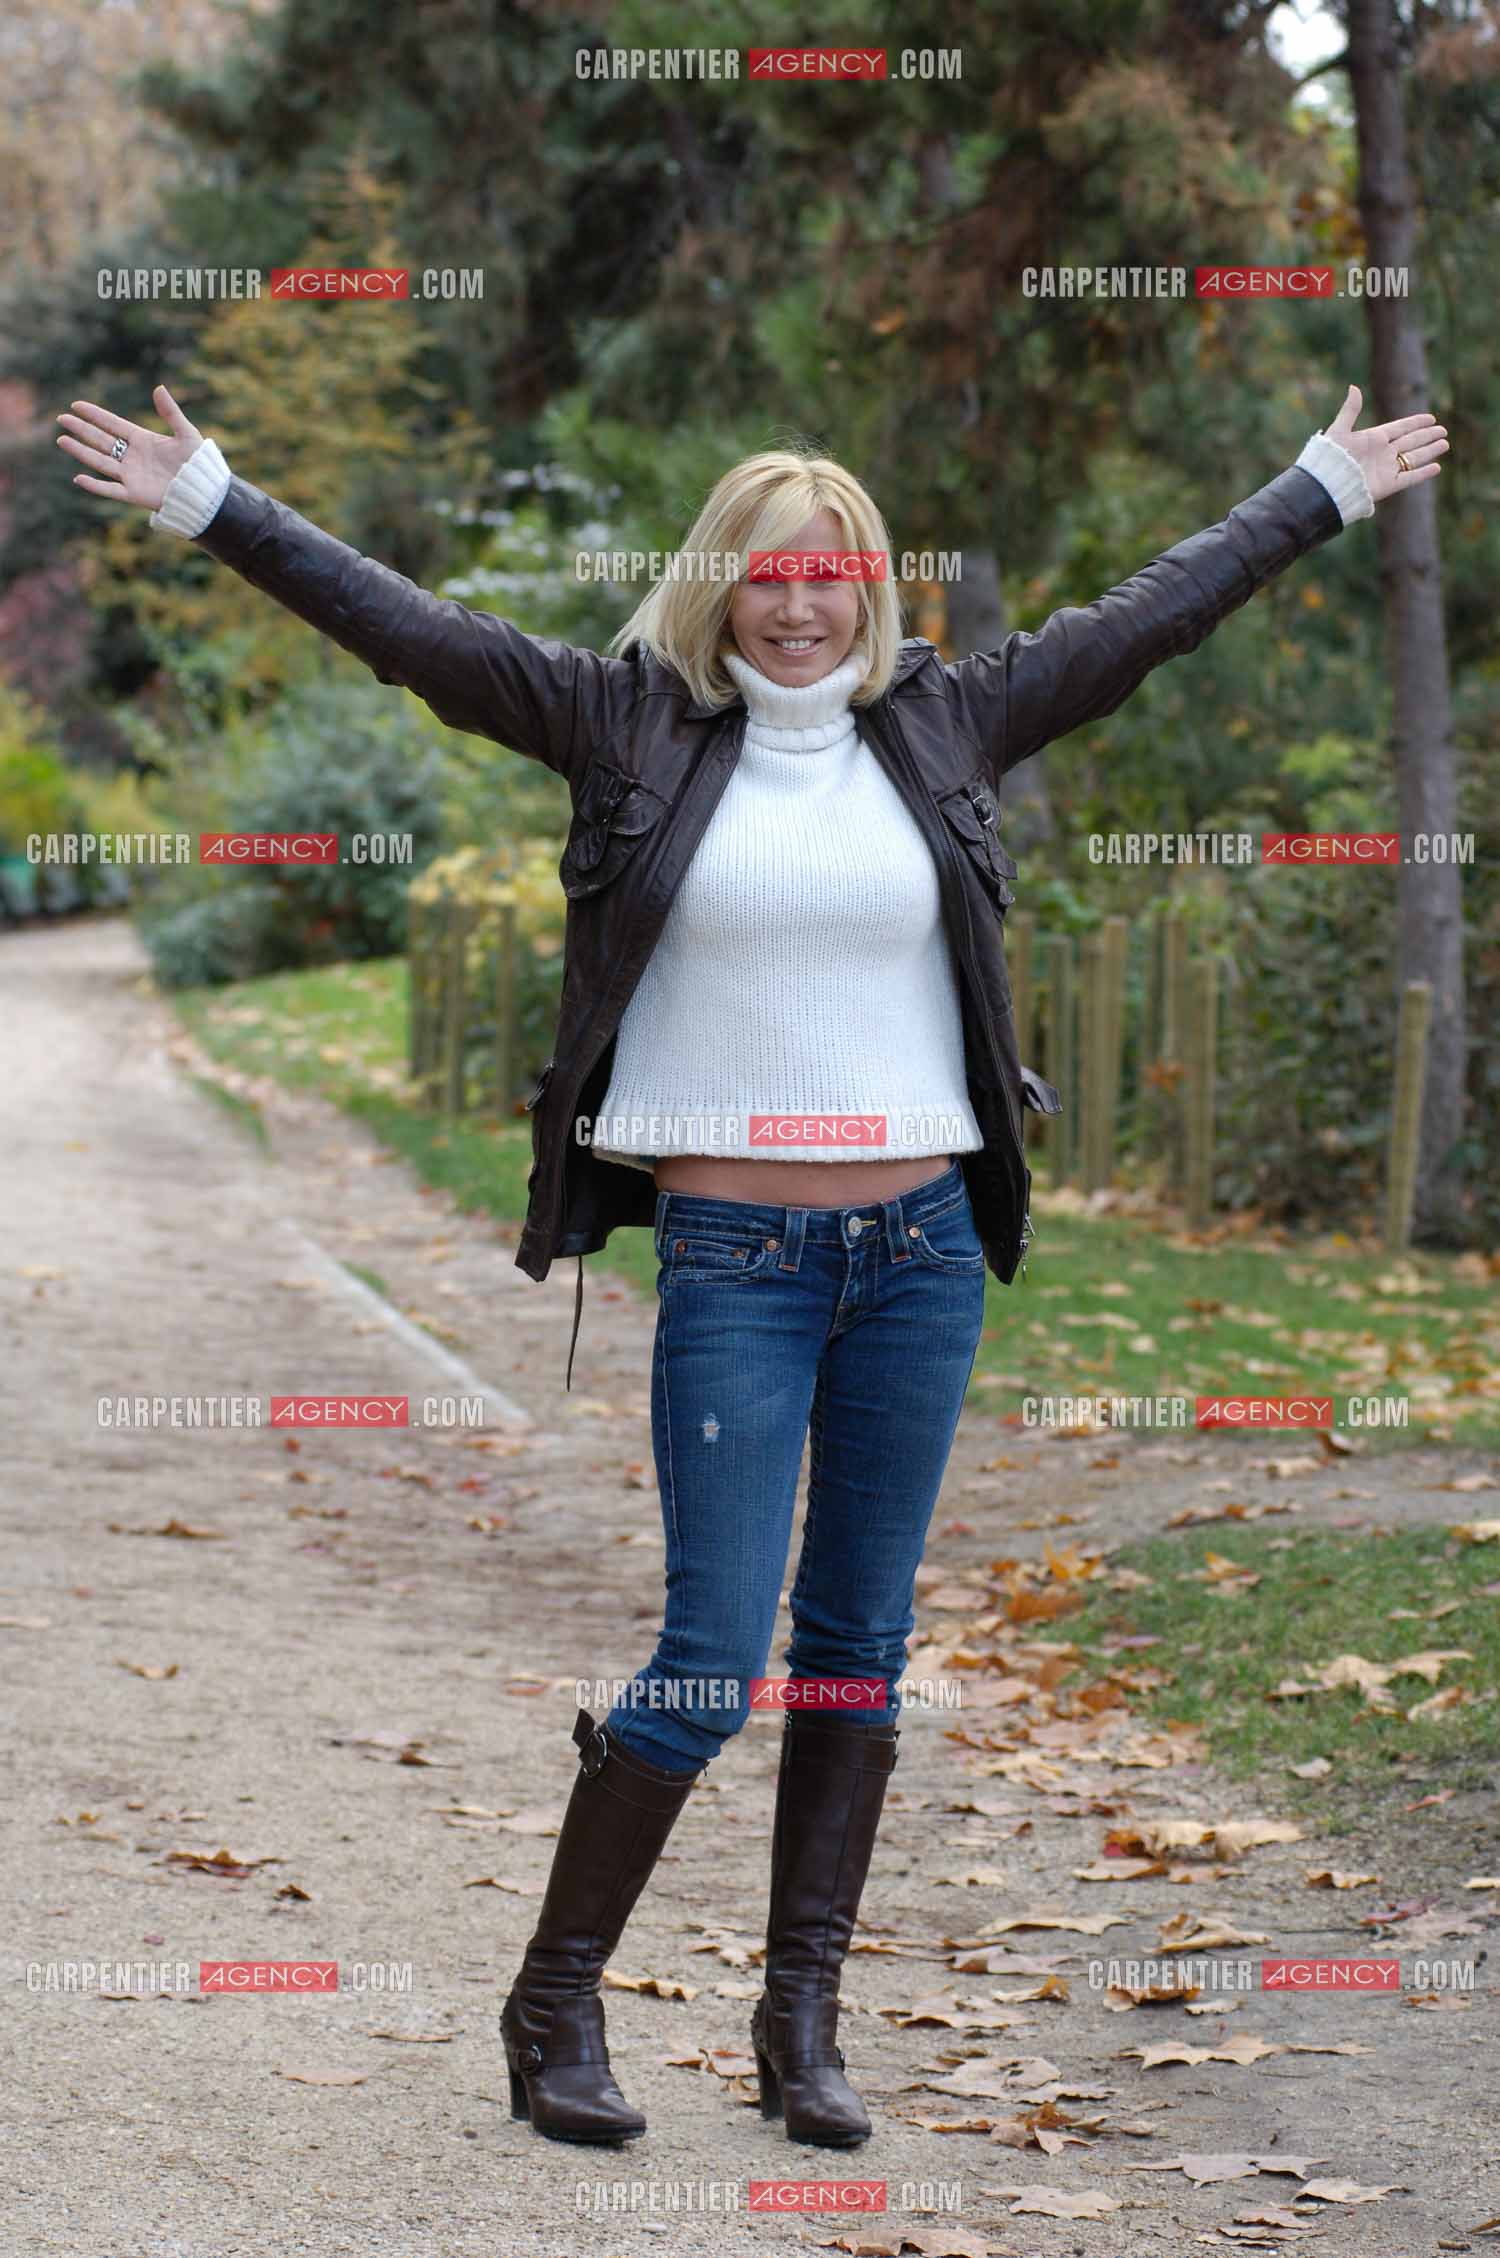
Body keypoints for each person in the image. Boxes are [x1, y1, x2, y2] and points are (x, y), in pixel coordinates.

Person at [57, 381, 1447, 2150]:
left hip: (923, 1250)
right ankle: (554, 2003)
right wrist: (216, 503)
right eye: (768, 577)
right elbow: (407, 628)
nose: (801, 606)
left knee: (858, 1645)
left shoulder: (952, 719)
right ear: (718, 585)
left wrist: (1321, 482)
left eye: (834, 576)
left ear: (873, 587)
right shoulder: (615, 718)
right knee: (713, 1654)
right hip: (737, 1256)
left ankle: (802, 2025)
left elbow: (1157, 612)